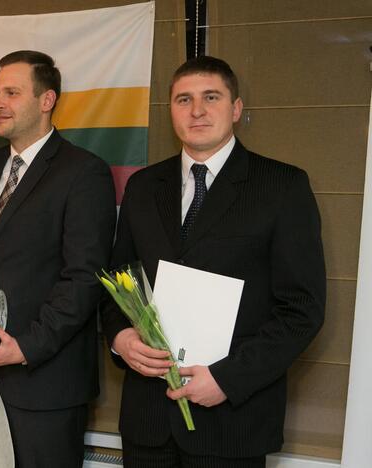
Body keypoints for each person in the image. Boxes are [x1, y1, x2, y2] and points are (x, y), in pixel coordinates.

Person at [101, 55, 325, 467]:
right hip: (148, 422)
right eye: (183, 99)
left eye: (211, 97)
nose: (197, 110)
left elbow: (302, 309)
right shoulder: (144, 186)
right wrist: (121, 340)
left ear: (236, 109)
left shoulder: (282, 186)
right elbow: (118, 281)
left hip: (232, 423)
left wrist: (228, 379)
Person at [0, 50, 116, 467]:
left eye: (11, 92)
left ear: (47, 100)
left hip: (47, 384)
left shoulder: (84, 172)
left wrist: (25, 348)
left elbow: (84, 279)